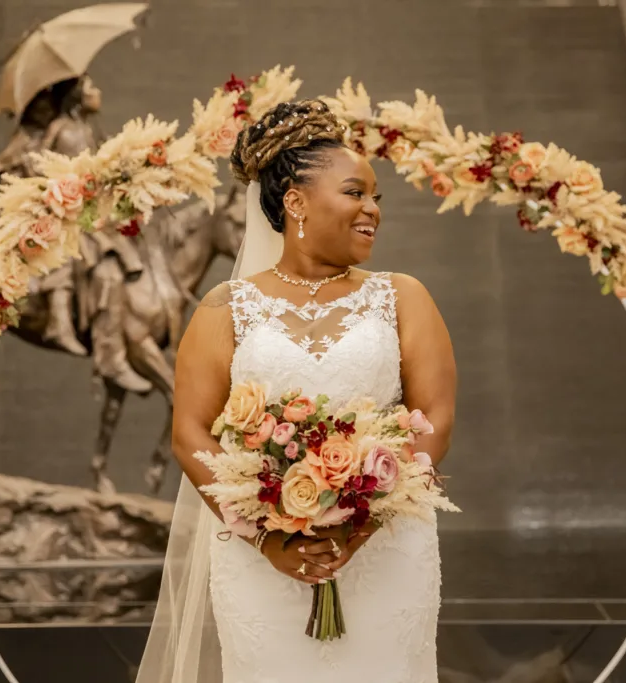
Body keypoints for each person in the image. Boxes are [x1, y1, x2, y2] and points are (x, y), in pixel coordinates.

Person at [136, 100, 457, 682]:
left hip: (386, 552)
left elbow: (433, 416)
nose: (373, 209)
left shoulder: (403, 297)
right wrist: (266, 539)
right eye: (355, 192)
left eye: (376, 197)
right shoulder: (224, 308)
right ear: (295, 202)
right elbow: (190, 433)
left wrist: (362, 522)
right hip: (263, 563)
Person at [0, 76, 153, 393]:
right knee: (106, 270)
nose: (98, 92)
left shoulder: (86, 128)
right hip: (72, 214)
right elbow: (60, 169)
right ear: (78, 96)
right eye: (91, 88)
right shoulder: (65, 130)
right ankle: (106, 354)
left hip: (87, 213)